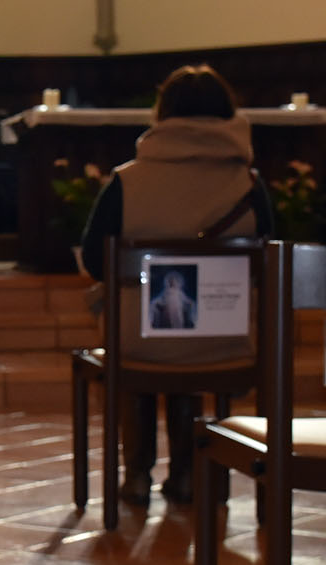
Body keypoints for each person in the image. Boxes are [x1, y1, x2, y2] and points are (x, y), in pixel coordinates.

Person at [80, 64, 273, 506]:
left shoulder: (126, 181)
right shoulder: (249, 184)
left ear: (162, 113)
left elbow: (95, 261)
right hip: (223, 340)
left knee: (141, 342)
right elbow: (267, 261)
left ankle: (136, 475)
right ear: (228, 113)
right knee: (191, 342)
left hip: (139, 342)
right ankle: (187, 475)